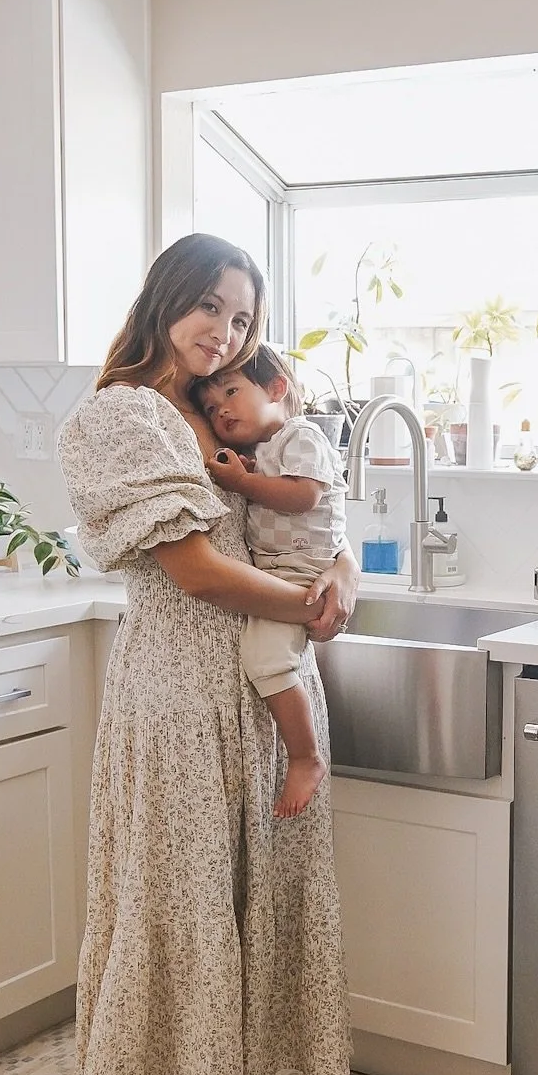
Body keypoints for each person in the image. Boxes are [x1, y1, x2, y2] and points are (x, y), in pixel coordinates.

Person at [56, 233, 358, 1075]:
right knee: (169, 905)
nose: (224, 332)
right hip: (178, 697)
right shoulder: (123, 414)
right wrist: (306, 604)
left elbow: (322, 518)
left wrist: (341, 578)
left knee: (256, 898)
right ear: (167, 298)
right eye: (210, 308)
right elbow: (192, 570)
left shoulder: (233, 405)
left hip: (260, 694)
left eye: (241, 319)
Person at [195, 344, 343, 819]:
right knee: (269, 659)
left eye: (231, 393)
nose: (222, 410)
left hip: (299, 569)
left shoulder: (302, 435)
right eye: (211, 408)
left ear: (277, 389)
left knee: (266, 660)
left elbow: (302, 497)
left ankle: (305, 757)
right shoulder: (263, 450)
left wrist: (242, 483)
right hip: (281, 569)